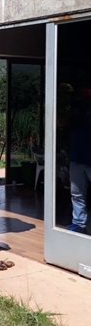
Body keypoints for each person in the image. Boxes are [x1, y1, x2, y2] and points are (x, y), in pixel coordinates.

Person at [66, 87, 91, 234]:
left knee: (78, 193)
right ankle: (79, 223)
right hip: (76, 158)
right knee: (77, 193)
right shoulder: (76, 113)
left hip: (86, 158)